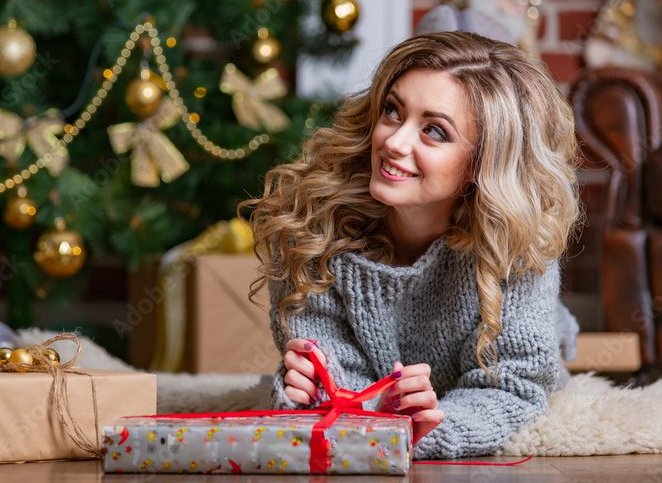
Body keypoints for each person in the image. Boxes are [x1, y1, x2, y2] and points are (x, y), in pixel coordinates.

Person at [242, 30, 582, 460]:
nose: (394, 142)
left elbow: (513, 387)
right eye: (392, 111)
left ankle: (558, 324)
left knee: (551, 343)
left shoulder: (516, 243)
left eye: (434, 131)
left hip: (518, 320)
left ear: (484, 163)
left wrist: (431, 429)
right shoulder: (309, 227)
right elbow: (337, 384)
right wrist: (315, 396)